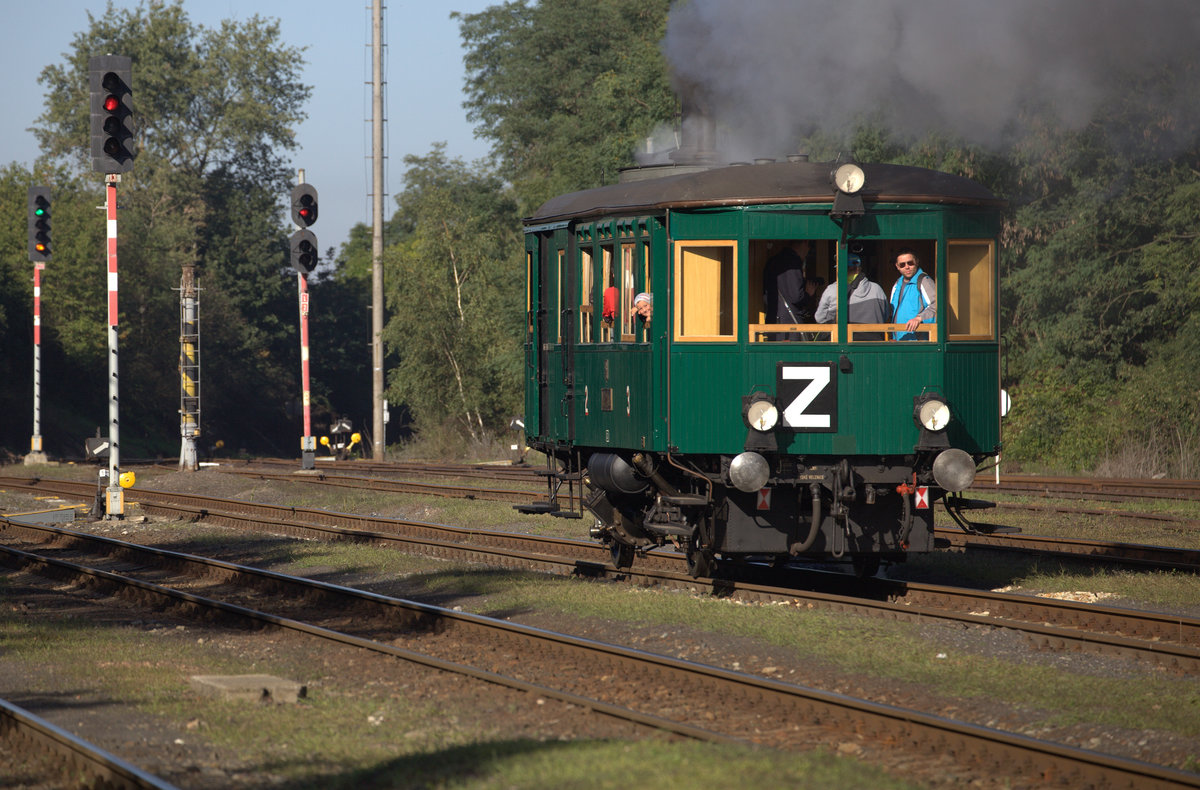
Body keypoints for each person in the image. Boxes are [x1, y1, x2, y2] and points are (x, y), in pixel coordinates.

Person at [815, 255, 889, 339]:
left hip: (846, 342)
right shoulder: (877, 289)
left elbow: (820, 318)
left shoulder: (832, 289)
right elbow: (885, 315)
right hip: (875, 343)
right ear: (859, 269)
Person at [762, 240, 810, 340]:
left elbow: (766, 297)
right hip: (789, 326)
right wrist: (808, 294)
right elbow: (796, 296)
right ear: (804, 243)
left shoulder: (772, 261)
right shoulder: (792, 262)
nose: (808, 250)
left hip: (773, 321)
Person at [889, 248, 936, 340]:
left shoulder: (924, 281)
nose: (907, 267)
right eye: (902, 264)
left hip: (917, 341)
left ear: (916, 262)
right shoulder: (897, 284)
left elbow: (937, 306)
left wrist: (919, 318)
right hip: (899, 340)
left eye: (910, 263)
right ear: (897, 266)